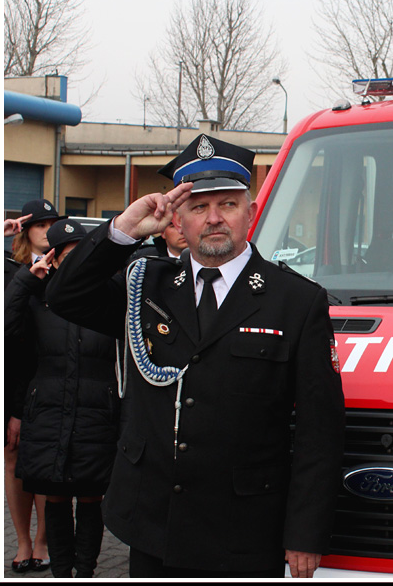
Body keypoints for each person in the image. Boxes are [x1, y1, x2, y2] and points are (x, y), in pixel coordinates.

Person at [45, 133, 346, 578]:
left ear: (252, 213)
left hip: (245, 527)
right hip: (154, 522)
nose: (214, 219)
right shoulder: (145, 284)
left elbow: (320, 431)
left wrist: (304, 533)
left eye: (227, 204)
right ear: (176, 220)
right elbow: (64, 295)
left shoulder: (297, 301)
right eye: (198, 207)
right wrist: (122, 231)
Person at [5, 218, 121, 578]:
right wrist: (26, 279)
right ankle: (60, 572)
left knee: (90, 500)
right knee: (54, 498)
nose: (72, 262)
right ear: (52, 259)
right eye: (64, 256)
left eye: (80, 255)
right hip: (48, 413)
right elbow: (7, 334)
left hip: (96, 413)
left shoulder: (111, 294)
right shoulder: (38, 299)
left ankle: (84, 571)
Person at [2, 201, 65, 574]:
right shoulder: (11, 270)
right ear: (25, 231)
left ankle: (43, 540)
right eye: (38, 224)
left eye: (51, 223)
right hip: (14, 377)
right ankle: (22, 541)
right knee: (13, 457)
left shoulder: (64, 270)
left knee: (44, 459)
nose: (45, 230)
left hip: (49, 375)